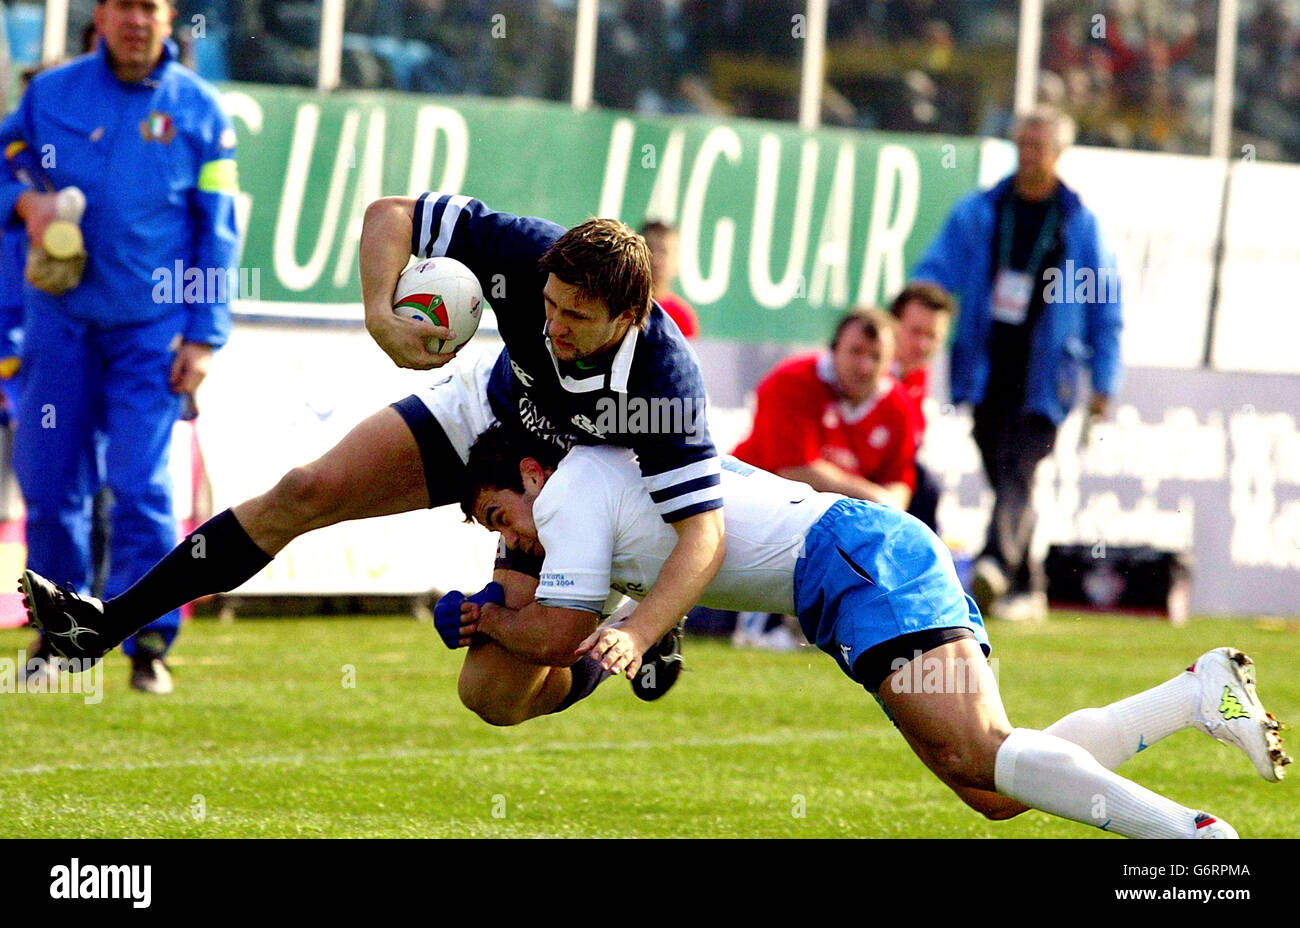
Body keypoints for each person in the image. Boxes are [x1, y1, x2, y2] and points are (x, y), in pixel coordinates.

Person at [20, 194, 726, 708]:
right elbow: (391, 213)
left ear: (631, 317)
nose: (555, 325)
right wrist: (381, 313)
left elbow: (704, 532)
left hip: (568, 490)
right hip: (489, 410)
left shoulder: (667, 379)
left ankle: (627, 639)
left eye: (577, 317)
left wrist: (635, 627)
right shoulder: (527, 251)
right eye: (549, 305)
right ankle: (105, 624)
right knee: (304, 491)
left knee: (492, 696)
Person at [451, 424, 1290, 836]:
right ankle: (1192, 696)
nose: (512, 538)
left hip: (852, 560)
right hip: (861, 557)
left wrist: (481, 615)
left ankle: (1192, 838)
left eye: (500, 514)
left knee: (981, 751)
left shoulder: (572, 493)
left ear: (532, 472)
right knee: (994, 788)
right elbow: (583, 646)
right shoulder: (598, 491)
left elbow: (558, 640)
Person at [0, 0, 240, 694]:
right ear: (99, 16)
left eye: (151, 7)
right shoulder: (49, 93)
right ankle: (58, 638)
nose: (136, 20)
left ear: (170, 20)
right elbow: (5, 169)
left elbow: (217, 228)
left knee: (140, 488)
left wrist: (203, 334)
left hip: (152, 332)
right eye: (123, 5)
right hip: (58, 324)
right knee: (49, 492)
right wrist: (27, 205)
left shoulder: (200, 111)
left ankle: (147, 647)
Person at [912, 104, 1123, 623]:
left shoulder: (1079, 224)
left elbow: (1106, 308)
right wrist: (921, 307)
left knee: (1019, 470)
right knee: (1000, 467)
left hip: (1049, 378)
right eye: (1021, 145)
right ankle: (1026, 584)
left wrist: (1104, 383)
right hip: (985, 369)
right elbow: (936, 269)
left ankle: (992, 563)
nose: (1028, 155)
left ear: (1059, 153)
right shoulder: (982, 211)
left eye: (1038, 147)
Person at [734, 307, 917, 511]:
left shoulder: (898, 403)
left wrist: (890, 512)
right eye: (856, 351)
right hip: (756, 505)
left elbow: (898, 479)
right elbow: (794, 469)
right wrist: (873, 499)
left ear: (890, 361)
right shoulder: (791, 382)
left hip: (837, 517)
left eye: (876, 357)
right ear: (834, 349)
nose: (865, 366)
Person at [887, 282, 954, 532]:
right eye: (915, 332)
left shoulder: (918, 374)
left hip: (892, 476)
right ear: (892, 325)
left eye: (932, 336)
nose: (923, 345)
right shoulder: (869, 370)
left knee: (926, 487)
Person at [639, 220, 699, 339]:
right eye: (649, 249)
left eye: (664, 252)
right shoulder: (621, 307)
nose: (655, 260)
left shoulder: (682, 316)